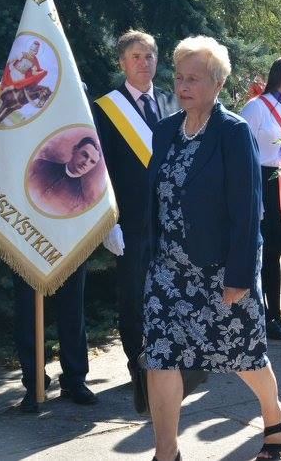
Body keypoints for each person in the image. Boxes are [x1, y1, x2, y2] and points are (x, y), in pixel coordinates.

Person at [142, 36, 281, 461]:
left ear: (217, 83)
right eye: (179, 77)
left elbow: (248, 210)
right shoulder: (165, 131)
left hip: (219, 267)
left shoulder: (233, 132)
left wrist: (240, 274)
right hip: (168, 268)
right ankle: (166, 453)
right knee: (160, 356)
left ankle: (275, 415)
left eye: (194, 79)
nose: (183, 86)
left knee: (243, 355)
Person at [0, 89, 98, 413]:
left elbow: (98, 147)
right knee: (28, 309)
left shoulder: (75, 91)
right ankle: (34, 382)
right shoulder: (3, 95)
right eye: (82, 156)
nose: (84, 163)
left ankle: (75, 378)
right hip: (23, 224)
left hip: (70, 227)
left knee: (72, 306)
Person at [92, 29, 188, 413]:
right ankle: (139, 370)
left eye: (149, 56)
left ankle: (167, 365)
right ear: (122, 62)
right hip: (129, 222)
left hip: (169, 220)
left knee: (170, 293)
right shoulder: (106, 108)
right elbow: (98, 170)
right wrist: (108, 220)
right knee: (134, 297)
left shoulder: (170, 101)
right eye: (136, 56)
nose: (144, 63)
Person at [240, 57, 281, 341]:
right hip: (261, 180)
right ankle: (264, 317)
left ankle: (275, 314)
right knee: (266, 252)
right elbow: (242, 150)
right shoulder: (256, 107)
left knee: (276, 252)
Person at [27, 136, 102, 215]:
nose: (86, 163)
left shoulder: (78, 201)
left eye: (92, 162)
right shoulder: (40, 165)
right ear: (74, 150)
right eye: (85, 155)